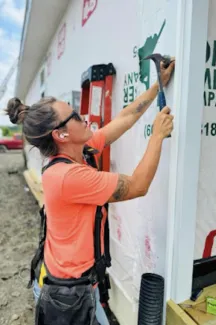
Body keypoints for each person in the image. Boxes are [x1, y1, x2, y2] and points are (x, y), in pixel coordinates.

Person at [5, 60, 175, 325]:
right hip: (69, 295)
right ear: (61, 134)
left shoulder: (78, 153)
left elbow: (125, 118)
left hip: (79, 285)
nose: (81, 116)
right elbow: (138, 186)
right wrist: (157, 136)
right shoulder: (68, 177)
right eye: (73, 116)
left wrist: (157, 85)